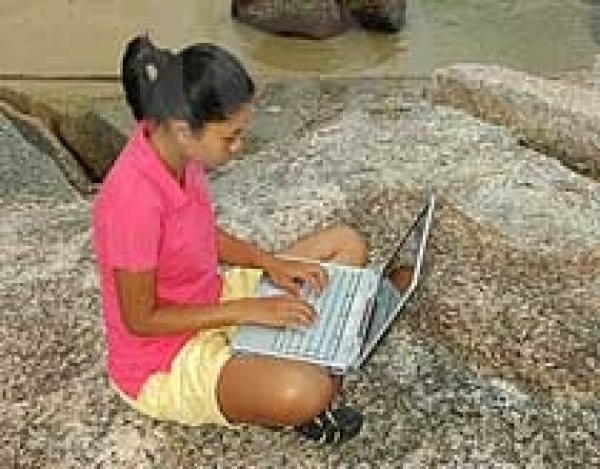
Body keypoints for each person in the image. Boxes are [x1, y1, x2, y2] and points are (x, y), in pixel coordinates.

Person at [92, 35, 369, 445]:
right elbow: (141, 320)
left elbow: (199, 234)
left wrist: (270, 263)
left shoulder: (179, 153)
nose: (238, 147)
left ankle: (285, 354)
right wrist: (246, 310)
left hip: (211, 295)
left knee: (345, 243)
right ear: (184, 130)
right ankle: (292, 363)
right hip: (165, 356)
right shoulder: (132, 201)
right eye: (230, 137)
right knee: (307, 392)